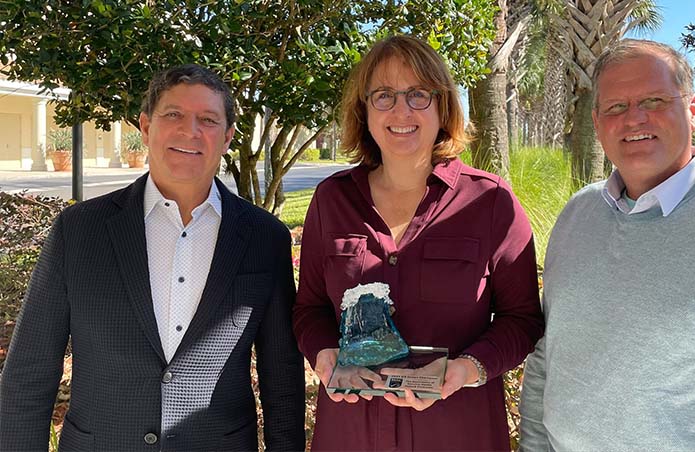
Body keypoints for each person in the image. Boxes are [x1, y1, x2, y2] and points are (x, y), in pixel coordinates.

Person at [0, 64, 305, 451]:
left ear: (228, 137)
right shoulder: (78, 231)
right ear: (146, 127)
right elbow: (29, 374)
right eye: (173, 115)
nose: (189, 131)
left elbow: (282, 379)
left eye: (208, 120)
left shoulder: (265, 238)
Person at [519, 39, 695, 450]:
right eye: (616, 107)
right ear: (597, 123)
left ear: (694, 111)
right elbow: (548, 360)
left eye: (654, 100)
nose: (634, 119)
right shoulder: (578, 216)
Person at [292, 34, 544, 451]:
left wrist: (469, 368)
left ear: (443, 106)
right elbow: (310, 309)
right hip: (351, 435)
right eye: (384, 96)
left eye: (417, 95)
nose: (401, 110)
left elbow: (523, 320)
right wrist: (322, 354)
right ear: (365, 110)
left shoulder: (491, 201)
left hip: (458, 434)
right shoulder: (331, 200)